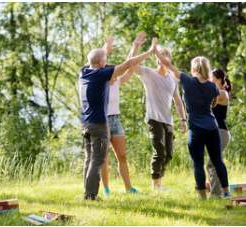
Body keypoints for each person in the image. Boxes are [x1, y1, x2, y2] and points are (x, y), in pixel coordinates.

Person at [79, 36, 157, 201]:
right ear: (101, 63)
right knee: (98, 160)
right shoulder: (102, 75)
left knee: (89, 158)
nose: (107, 62)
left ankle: (87, 192)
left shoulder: (84, 71)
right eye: (105, 60)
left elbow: (95, 58)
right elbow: (128, 64)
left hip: (86, 124)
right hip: (99, 124)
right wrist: (149, 52)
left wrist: (105, 49)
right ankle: (91, 195)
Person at [154, 46, 230, 199]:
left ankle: (202, 195)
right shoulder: (212, 87)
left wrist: (155, 51)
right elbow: (214, 103)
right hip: (212, 128)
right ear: (206, 69)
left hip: (196, 130)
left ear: (193, 68)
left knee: (198, 164)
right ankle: (226, 192)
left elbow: (167, 64)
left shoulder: (186, 80)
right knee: (218, 161)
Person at [119, 40, 187, 192]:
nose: (164, 60)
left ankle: (159, 183)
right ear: (157, 59)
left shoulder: (172, 78)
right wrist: (135, 46)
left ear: (169, 60)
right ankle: (156, 186)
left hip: (168, 121)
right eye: (161, 56)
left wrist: (183, 119)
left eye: (166, 57)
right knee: (159, 151)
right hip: (153, 118)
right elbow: (131, 65)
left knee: (169, 154)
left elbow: (177, 100)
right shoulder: (148, 73)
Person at [101, 32, 148, 196]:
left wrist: (135, 46)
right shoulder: (102, 82)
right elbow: (97, 61)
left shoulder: (118, 82)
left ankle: (129, 188)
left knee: (122, 155)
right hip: (102, 121)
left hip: (115, 120)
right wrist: (105, 49)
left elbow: (129, 65)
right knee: (104, 158)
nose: (115, 73)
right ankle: (106, 189)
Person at [206, 69, 232, 198]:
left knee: (213, 163)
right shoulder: (214, 91)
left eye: (213, 79)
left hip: (221, 132)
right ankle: (220, 191)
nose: (211, 81)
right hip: (214, 132)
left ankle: (216, 195)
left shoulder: (223, 93)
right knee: (212, 163)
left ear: (221, 80)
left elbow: (210, 97)